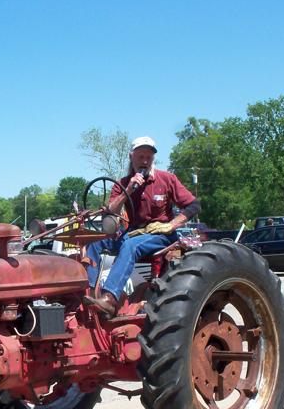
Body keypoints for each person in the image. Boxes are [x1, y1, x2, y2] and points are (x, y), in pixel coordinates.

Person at [83, 136, 200, 317]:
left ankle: (110, 298)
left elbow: (193, 205)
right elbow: (110, 211)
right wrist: (128, 190)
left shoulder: (166, 179)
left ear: (153, 159)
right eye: (140, 157)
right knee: (94, 242)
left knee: (131, 245)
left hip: (161, 235)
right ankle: (90, 293)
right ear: (132, 157)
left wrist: (171, 225)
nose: (144, 161)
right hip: (135, 232)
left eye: (148, 157)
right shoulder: (122, 183)